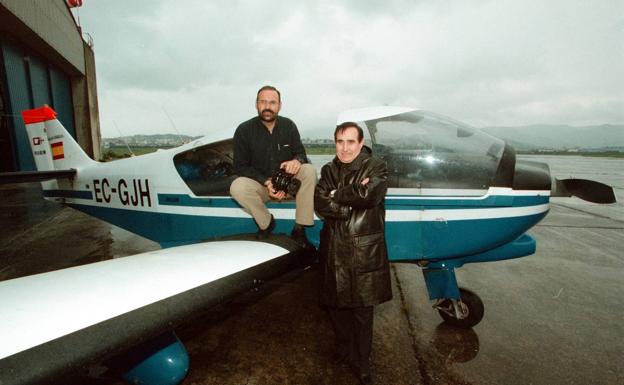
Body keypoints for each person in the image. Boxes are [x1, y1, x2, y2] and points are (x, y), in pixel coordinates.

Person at [314, 122, 392, 385]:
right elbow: (319, 202)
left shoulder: (376, 166)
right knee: (335, 305)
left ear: (361, 144)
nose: (344, 148)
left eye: (350, 142)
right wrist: (347, 203)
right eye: (339, 141)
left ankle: (362, 362)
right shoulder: (327, 169)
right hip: (334, 248)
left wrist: (336, 194)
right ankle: (344, 349)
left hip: (362, 250)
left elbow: (369, 194)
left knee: (362, 310)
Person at [230, 85, 316, 245]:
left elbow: (302, 154)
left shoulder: (289, 126)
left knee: (309, 170)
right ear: (256, 104)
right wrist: (267, 182)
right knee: (237, 186)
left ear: (279, 105)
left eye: (272, 102)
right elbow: (240, 167)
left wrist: (296, 161)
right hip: (262, 187)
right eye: (263, 102)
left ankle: (300, 227)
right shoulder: (243, 130)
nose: (267, 107)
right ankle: (266, 223)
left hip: (289, 185)